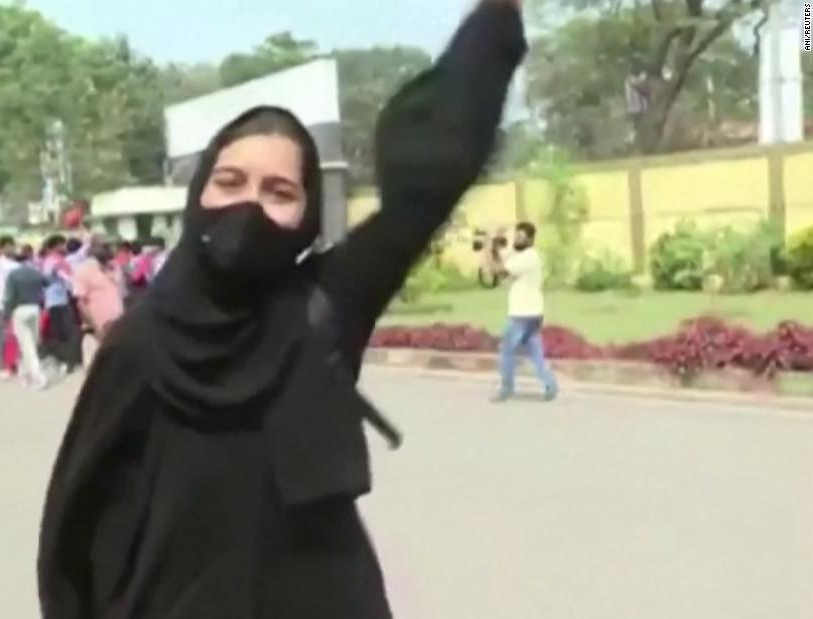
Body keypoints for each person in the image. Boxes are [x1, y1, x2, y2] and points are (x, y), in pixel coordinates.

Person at [36, 2, 526, 616]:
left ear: (306, 217)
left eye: (279, 192)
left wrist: (498, 18)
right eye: (230, 181)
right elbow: (78, 525)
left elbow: (428, 184)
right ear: (199, 194)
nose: (249, 207)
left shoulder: (323, 307)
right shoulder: (138, 346)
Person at [489, 221, 558, 401]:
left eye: (521, 237)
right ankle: (550, 385)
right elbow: (504, 262)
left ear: (530, 239)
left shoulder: (527, 258)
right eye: (516, 236)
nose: (517, 240)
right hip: (534, 314)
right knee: (535, 353)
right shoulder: (526, 256)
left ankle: (506, 389)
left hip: (521, 314)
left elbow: (498, 271)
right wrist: (495, 248)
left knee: (507, 351)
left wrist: (487, 249)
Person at [2, 252, 48, 389]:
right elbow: (47, 282)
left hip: (20, 310)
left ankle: (38, 376)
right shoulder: (36, 272)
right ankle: (25, 374)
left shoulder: (13, 275)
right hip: (35, 308)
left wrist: (6, 315)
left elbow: (9, 297)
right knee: (32, 343)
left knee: (26, 345)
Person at [70, 237, 123, 342]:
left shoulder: (113, 267)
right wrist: (95, 327)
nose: (110, 250)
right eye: (104, 247)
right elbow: (81, 303)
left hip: (118, 321)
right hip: (100, 325)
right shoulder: (83, 270)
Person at [41, 234, 81, 374]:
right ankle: (67, 362)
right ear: (56, 245)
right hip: (60, 301)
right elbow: (66, 277)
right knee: (66, 333)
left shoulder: (50, 260)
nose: (65, 247)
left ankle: (64, 361)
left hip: (54, 301)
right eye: (62, 244)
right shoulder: (55, 261)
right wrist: (76, 289)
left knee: (60, 333)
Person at [0, 235, 21, 371]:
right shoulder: (1, 266)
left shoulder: (12, 264)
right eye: (10, 246)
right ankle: (5, 362)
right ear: (2, 248)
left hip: (13, 303)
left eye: (13, 246)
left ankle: (12, 360)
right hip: (4, 303)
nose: (12, 249)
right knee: (5, 334)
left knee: (14, 334)